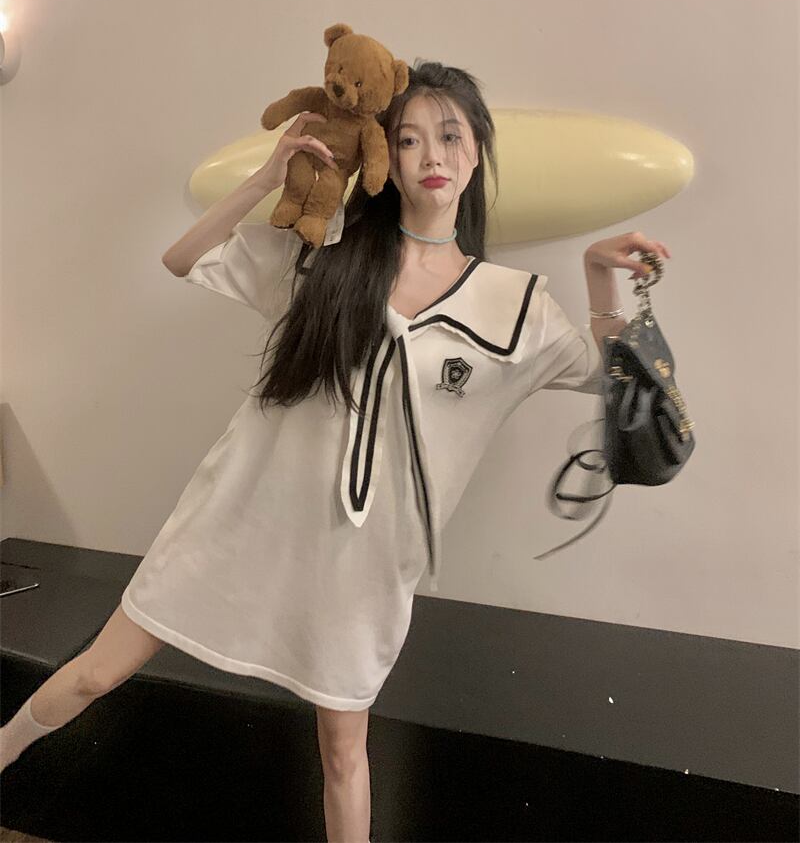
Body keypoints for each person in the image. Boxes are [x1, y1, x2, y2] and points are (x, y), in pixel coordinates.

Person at [0, 60, 670, 842]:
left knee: (345, 755)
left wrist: (597, 277)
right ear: (387, 158)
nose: (432, 156)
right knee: (92, 673)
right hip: (239, 523)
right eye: (409, 139)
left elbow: (607, 378)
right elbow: (184, 259)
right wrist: (264, 179)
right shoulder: (328, 257)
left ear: (477, 152)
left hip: (363, 566)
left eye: (450, 136)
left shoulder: (517, 306)